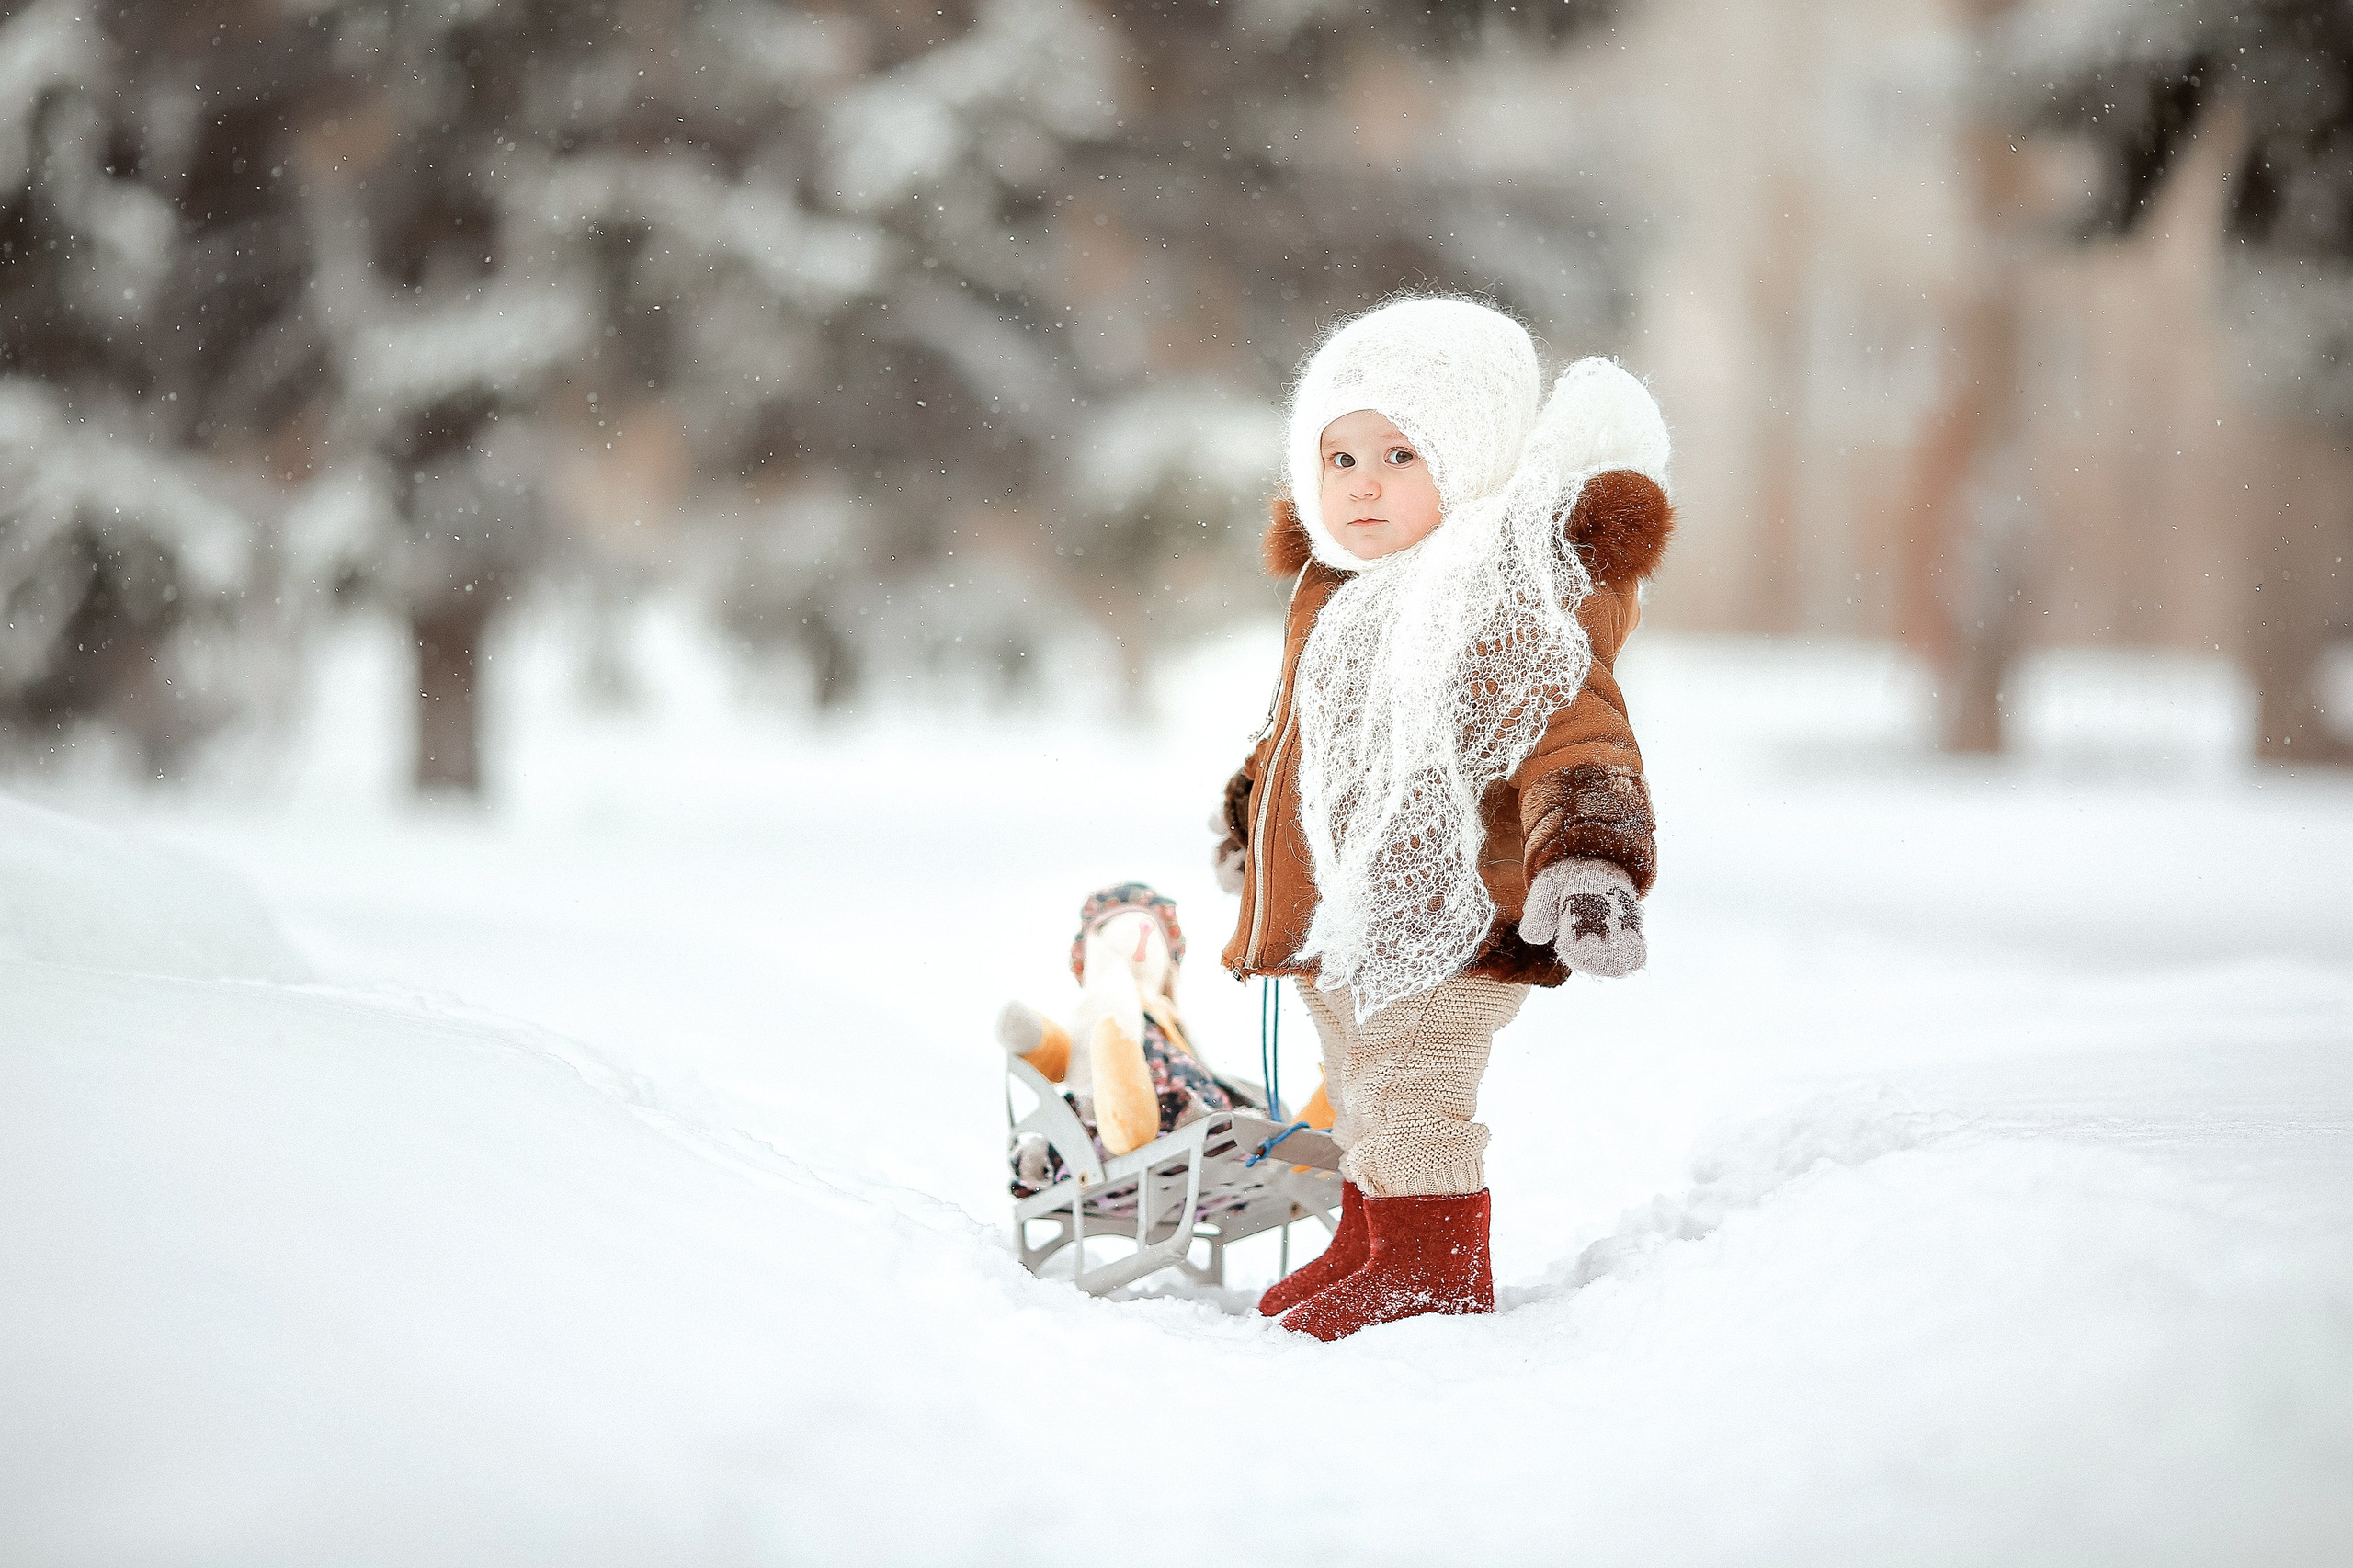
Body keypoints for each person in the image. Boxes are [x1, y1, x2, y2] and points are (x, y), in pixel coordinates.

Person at [1211, 296, 1673, 1341]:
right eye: (1338, 459)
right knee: (1361, 1086)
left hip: (1451, 910)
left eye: (1400, 453)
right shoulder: (1341, 592)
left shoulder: (1504, 597)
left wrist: (1589, 856)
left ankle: (1432, 1265)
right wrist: (1253, 817)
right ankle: (1373, 1238)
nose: (1363, 482)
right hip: (1347, 915)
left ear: (1467, 458)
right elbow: (1300, 735)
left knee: (1416, 1088)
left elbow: (1576, 733)